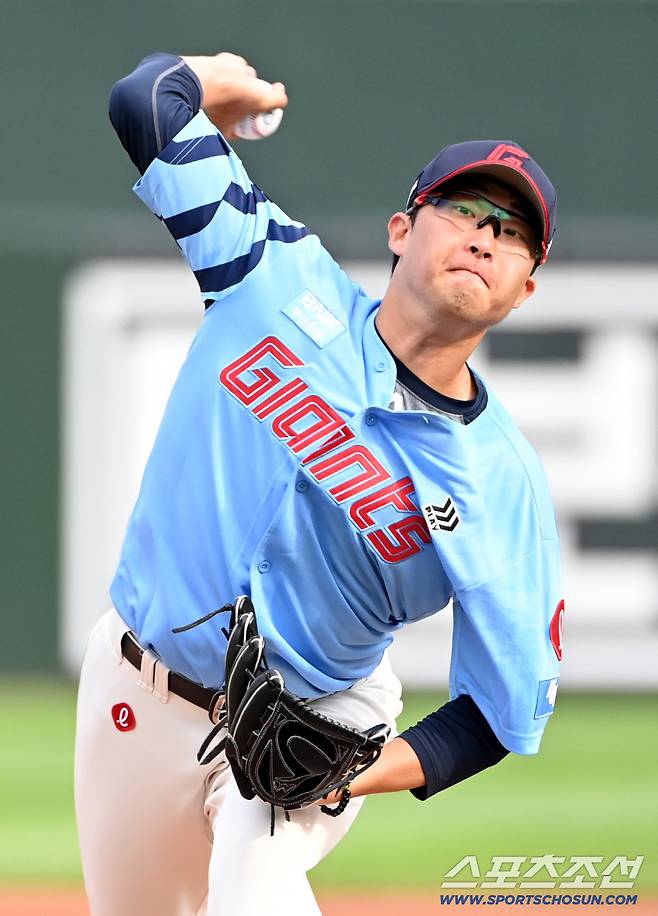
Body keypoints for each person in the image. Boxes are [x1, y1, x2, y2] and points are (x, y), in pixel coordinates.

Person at [74, 49, 564, 916]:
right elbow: (146, 100)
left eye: (514, 232)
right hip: (135, 687)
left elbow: (498, 712)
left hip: (312, 721)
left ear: (525, 286)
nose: (487, 236)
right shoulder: (272, 275)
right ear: (402, 230)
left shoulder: (502, 484)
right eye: (464, 210)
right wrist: (223, 77)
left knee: (254, 890)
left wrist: (348, 774)